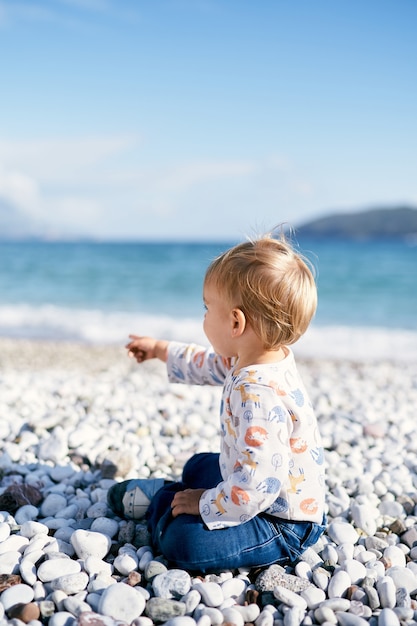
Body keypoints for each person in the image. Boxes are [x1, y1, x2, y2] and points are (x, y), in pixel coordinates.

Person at [107, 232, 326, 573]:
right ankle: (177, 494)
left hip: (281, 522)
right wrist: (161, 349)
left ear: (236, 322)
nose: (204, 317)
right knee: (197, 467)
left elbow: (256, 487)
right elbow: (207, 363)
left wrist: (205, 503)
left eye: (207, 308)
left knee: (184, 544)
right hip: (265, 486)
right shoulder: (260, 356)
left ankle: (161, 504)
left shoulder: (258, 394)